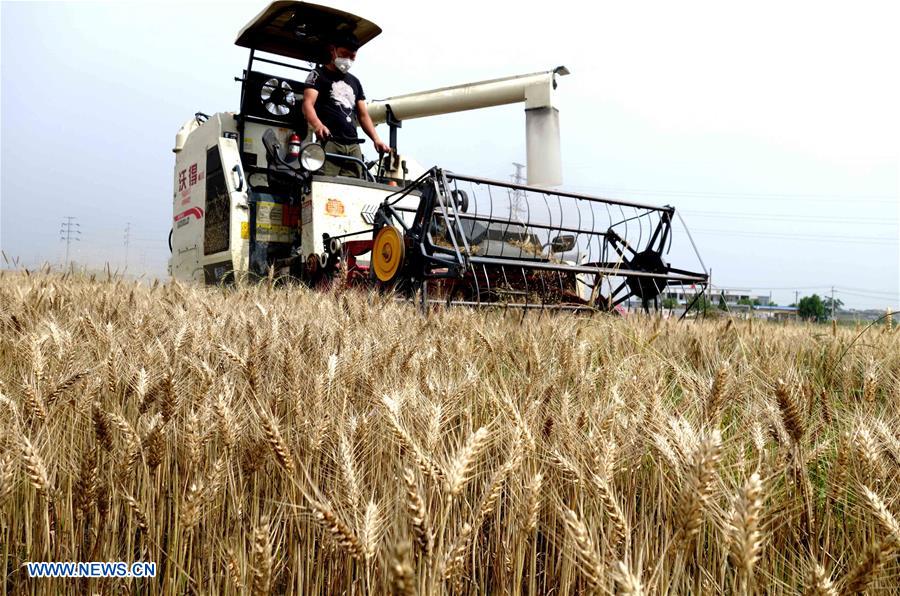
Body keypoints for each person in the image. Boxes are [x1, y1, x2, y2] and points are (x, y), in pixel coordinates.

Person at [302, 33, 391, 178]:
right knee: (325, 183)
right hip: (330, 142)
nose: (348, 60)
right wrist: (318, 125)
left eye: (352, 57)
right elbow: (308, 104)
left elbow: (363, 115)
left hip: (353, 145)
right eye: (344, 55)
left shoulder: (355, 82)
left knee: (353, 186)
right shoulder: (318, 75)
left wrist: (376, 139)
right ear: (333, 50)